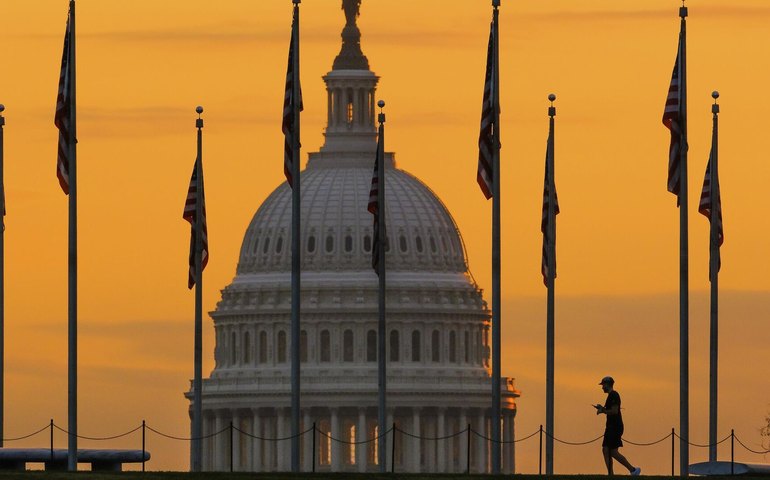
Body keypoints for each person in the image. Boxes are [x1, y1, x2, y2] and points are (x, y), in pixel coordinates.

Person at [594, 376, 641, 476]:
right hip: (611, 427)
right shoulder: (611, 396)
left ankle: (633, 470)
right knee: (606, 450)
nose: (602, 387)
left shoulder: (614, 395)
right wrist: (602, 408)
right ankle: (611, 473)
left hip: (615, 427)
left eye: (603, 385)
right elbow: (610, 410)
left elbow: (614, 411)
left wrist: (603, 410)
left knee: (612, 452)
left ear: (608, 384)